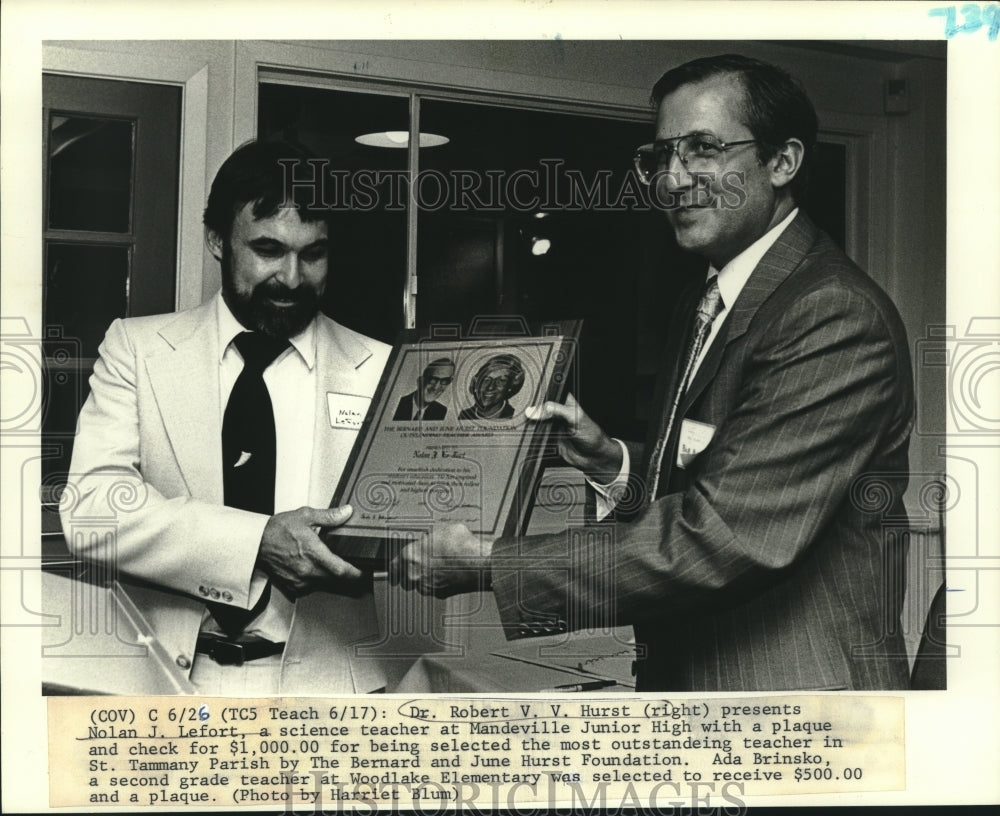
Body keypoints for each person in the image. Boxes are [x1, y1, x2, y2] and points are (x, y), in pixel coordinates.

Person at [391, 54, 915, 691]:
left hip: (796, 698)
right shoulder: (706, 300)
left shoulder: (831, 314)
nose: (672, 179)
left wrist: (488, 562)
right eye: (660, 155)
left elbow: (721, 535)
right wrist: (613, 461)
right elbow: (717, 478)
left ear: (783, 162)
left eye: (702, 149)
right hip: (700, 687)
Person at [60, 139, 391, 695]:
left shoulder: (382, 369)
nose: (291, 277)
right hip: (167, 681)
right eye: (267, 249)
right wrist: (256, 540)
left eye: (313, 254)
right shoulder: (137, 349)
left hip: (336, 689)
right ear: (217, 240)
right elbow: (93, 507)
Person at [457, 354, 525, 420]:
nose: (490, 387)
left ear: (510, 386)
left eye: (501, 381)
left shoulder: (514, 416)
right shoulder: (464, 415)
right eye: (486, 380)